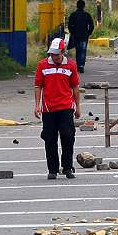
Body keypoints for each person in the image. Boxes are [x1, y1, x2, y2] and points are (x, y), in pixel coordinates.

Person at [33, 38, 81, 180]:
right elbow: (38, 86)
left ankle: (67, 167)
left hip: (66, 106)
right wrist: (37, 105)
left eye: (57, 54)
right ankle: (52, 169)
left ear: (63, 52)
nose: (54, 57)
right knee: (49, 138)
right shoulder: (42, 65)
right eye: (52, 54)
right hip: (48, 108)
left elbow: (75, 87)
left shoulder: (71, 66)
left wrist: (78, 107)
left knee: (68, 136)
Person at [67, 0, 95, 73]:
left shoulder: (73, 15)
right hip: (84, 35)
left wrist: (72, 32)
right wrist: (89, 33)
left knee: (78, 50)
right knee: (83, 51)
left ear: (77, 6)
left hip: (76, 35)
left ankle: (78, 64)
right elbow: (91, 25)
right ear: (84, 6)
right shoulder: (87, 15)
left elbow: (69, 25)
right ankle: (81, 65)